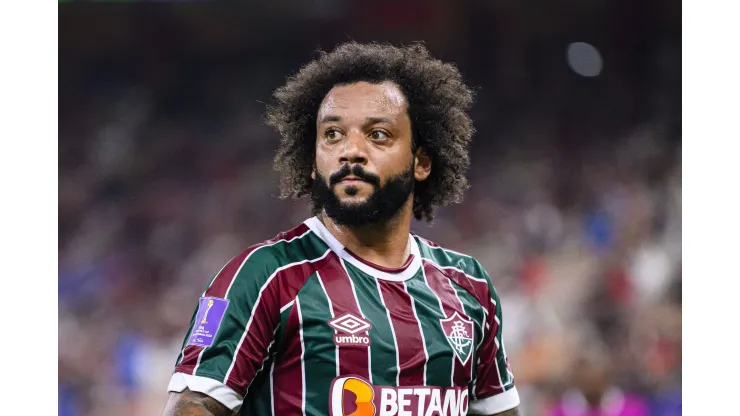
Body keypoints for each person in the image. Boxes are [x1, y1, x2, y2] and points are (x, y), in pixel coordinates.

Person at [162, 41, 521, 416]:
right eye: (332, 134)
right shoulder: (265, 277)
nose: (350, 150)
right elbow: (192, 405)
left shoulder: (469, 285)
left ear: (422, 162)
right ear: (314, 162)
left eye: (378, 134)